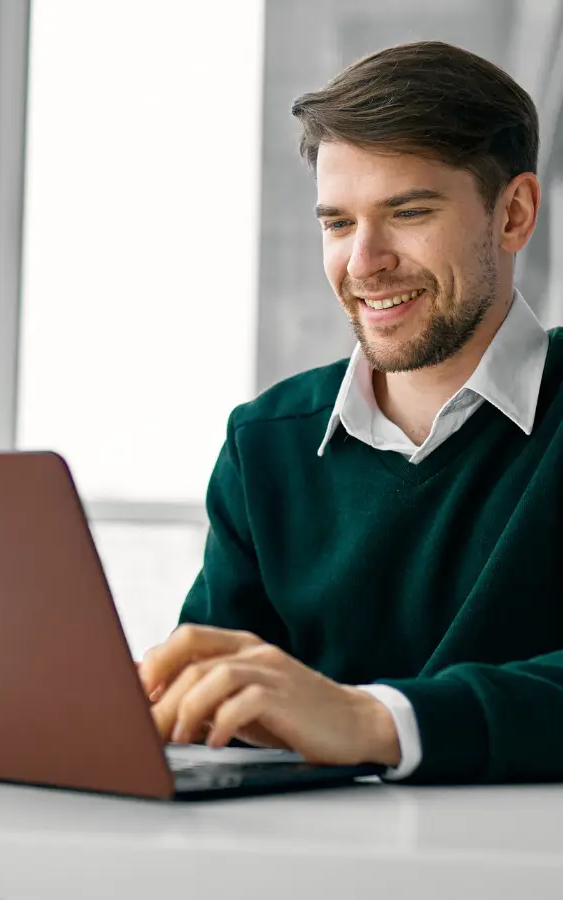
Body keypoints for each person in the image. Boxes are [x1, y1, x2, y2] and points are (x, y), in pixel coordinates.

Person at [137, 40, 563, 784]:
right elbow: (215, 706)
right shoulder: (265, 444)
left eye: (407, 212)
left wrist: (374, 719)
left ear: (515, 213)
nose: (364, 262)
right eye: (337, 223)